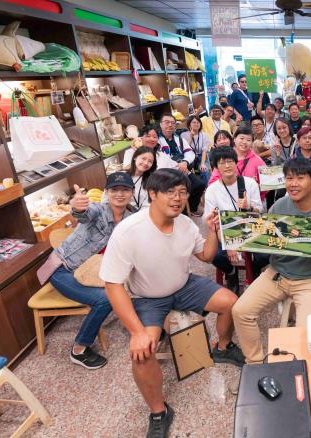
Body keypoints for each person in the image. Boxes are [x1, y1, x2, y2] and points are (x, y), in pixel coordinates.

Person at [101, 169, 245, 438]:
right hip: (148, 298)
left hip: (184, 285)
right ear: (152, 194)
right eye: (170, 192)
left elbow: (206, 256)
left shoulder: (186, 224)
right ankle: (159, 411)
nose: (178, 198)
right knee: (142, 352)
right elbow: (113, 285)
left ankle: (223, 347)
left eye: (182, 192)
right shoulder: (129, 231)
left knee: (231, 302)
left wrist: (213, 231)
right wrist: (137, 332)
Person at [232, 158, 311, 363]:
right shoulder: (279, 205)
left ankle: (299, 369)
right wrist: (240, 236)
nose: (293, 184)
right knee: (240, 311)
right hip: (277, 274)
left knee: (305, 332)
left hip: (310, 279)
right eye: (289, 178)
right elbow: (265, 238)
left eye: (300, 178)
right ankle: (255, 362)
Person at [45, 173, 135, 369]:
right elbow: (84, 213)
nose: (120, 194)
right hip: (63, 270)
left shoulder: (131, 219)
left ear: (132, 193)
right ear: (106, 192)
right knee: (106, 298)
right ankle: (79, 349)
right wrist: (77, 207)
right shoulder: (98, 210)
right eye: (114, 189)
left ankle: (141, 328)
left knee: (135, 282)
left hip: (94, 272)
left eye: (125, 189)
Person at [203, 146, 264, 292]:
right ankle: (231, 272)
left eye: (230, 161)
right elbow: (214, 222)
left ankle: (253, 269)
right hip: (223, 231)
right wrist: (228, 243)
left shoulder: (249, 183)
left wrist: (249, 207)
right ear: (216, 167)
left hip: (249, 227)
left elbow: (259, 211)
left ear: (236, 163)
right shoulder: (212, 190)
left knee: (266, 254)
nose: (227, 166)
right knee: (214, 254)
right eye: (222, 162)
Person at [157, 113, 206, 214]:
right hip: (167, 174)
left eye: (172, 123)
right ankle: (180, 212)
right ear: (161, 124)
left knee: (199, 185)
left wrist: (185, 162)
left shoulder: (179, 139)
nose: (170, 125)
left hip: (183, 169)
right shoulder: (156, 140)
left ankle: (191, 208)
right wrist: (178, 165)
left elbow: (190, 152)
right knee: (179, 191)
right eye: (167, 122)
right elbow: (161, 159)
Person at [209, 125, 266, 198]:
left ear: (252, 142)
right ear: (234, 139)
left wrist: (255, 186)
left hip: (251, 200)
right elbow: (212, 182)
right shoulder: (224, 156)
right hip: (227, 199)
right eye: (241, 138)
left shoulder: (257, 160)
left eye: (248, 140)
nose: (244, 142)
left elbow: (267, 184)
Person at [181, 114, 210, 182]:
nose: (196, 124)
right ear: (189, 124)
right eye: (194, 122)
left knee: (204, 170)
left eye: (198, 122)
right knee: (185, 172)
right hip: (189, 157)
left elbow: (204, 151)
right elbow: (185, 149)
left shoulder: (204, 135)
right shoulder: (183, 135)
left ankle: (206, 187)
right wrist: (191, 137)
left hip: (201, 157)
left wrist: (202, 164)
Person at [128, 146, 157, 210]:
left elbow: (149, 205)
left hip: (143, 214)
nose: (146, 163)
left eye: (150, 161)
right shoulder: (121, 176)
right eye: (143, 158)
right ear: (135, 157)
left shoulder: (152, 181)